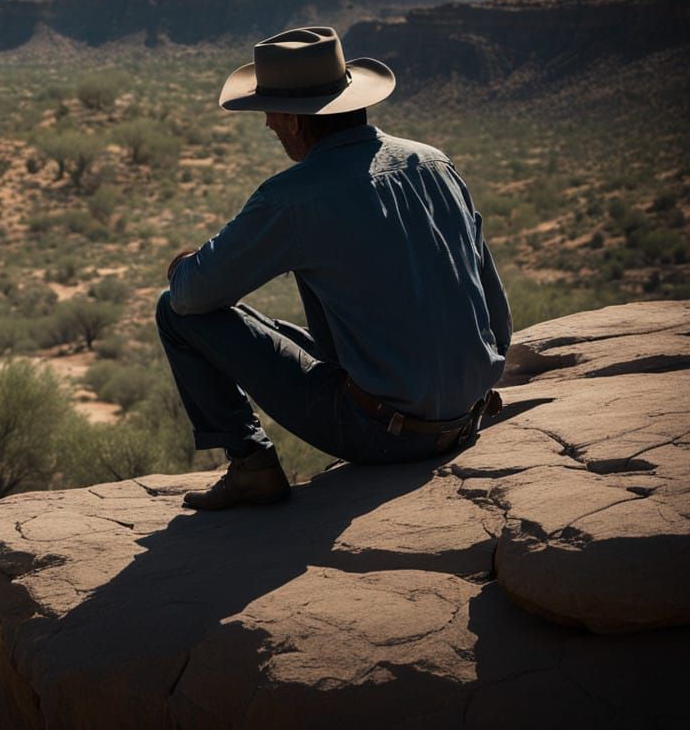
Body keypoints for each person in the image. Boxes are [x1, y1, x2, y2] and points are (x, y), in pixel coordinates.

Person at [156, 26, 511, 511]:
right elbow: (498, 320)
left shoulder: (294, 197)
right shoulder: (435, 165)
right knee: (268, 326)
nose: (268, 127)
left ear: (295, 121)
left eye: (269, 114)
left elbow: (191, 295)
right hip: (468, 419)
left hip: (385, 435)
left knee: (175, 312)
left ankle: (251, 466)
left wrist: (183, 267)